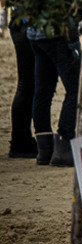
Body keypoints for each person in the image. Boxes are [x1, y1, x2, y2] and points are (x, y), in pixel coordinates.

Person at [28, 18, 82, 167]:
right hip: (57, 35)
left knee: (43, 92)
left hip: (35, 35)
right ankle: (64, 144)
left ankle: (45, 149)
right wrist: (74, 43)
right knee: (75, 89)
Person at [7, 19, 38, 158]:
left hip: (19, 25)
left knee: (26, 85)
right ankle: (21, 139)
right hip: (27, 27)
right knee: (29, 85)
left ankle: (20, 138)